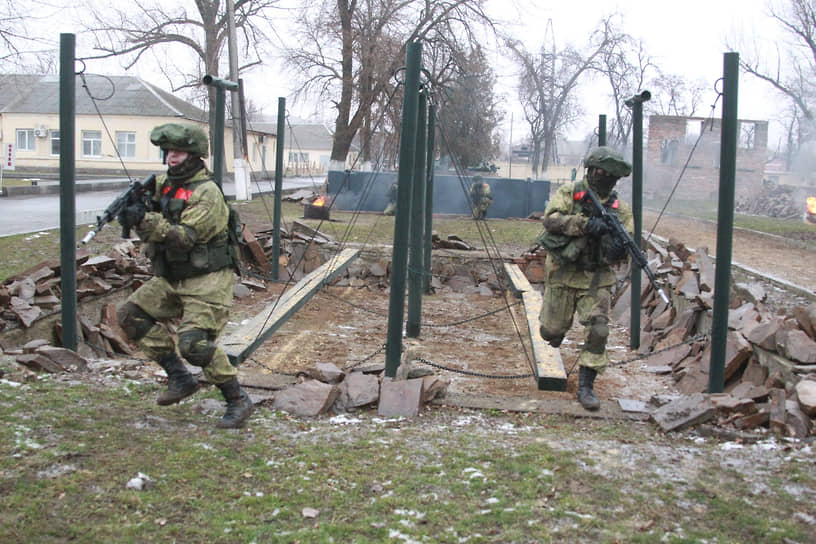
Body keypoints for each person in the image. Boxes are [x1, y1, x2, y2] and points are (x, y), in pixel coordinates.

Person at [115, 123, 253, 429]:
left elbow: (183, 238)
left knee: (194, 345)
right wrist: (132, 208)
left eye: (179, 152)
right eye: (169, 152)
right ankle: (179, 377)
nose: (172, 157)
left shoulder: (207, 193)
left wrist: (145, 220)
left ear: (194, 155)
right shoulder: (163, 183)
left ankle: (237, 400)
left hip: (208, 280)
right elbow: (147, 206)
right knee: (129, 315)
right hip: (173, 277)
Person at [536, 146, 633, 411]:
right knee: (550, 331)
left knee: (599, 330)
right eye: (602, 172)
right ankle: (556, 331)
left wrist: (614, 244)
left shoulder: (619, 210)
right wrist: (585, 225)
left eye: (611, 175)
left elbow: (626, 244)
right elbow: (551, 220)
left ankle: (586, 386)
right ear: (591, 170)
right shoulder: (571, 193)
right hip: (562, 272)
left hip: (595, 278)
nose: (606, 178)